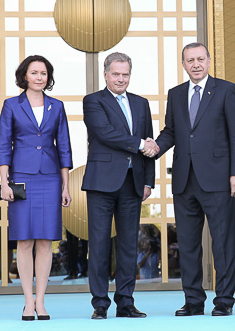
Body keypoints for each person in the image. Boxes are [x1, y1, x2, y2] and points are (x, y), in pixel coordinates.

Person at [150, 42, 235, 316]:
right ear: (183, 64)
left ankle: (224, 301)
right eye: (190, 60)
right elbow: (171, 131)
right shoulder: (176, 94)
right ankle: (193, 301)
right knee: (188, 245)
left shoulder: (226, 90)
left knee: (223, 243)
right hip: (184, 180)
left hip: (218, 179)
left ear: (209, 60)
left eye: (200, 59)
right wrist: (156, 147)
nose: (196, 64)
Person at [0, 55, 73, 321]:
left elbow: (63, 146)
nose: (39, 77)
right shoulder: (11, 105)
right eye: (34, 72)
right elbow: (4, 145)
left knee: (45, 240)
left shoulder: (57, 106)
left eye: (44, 73)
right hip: (21, 177)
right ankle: (27, 301)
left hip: (50, 178)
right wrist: (5, 182)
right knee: (25, 239)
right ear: (25, 76)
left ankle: (41, 301)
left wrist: (65, 186)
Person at [81, 52, 156, 320]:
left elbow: (149, 141)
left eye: (125, 74)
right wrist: (139, 144)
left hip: (132, 183)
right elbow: (105, 132)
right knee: (100, 245)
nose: (121, 79)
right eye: (116, 74)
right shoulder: (93, 101)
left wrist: (149, 180)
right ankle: (100, 304)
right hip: (102, 183)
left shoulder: (141, 103)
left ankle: (125, 302)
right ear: (105, 74)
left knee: (128, 246)